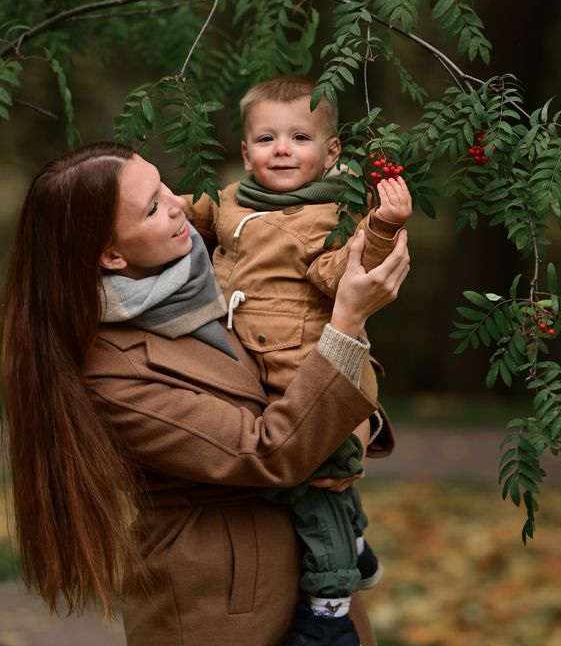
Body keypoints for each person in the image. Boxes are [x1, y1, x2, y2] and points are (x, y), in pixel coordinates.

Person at [0, 141, 410, 646]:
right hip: (218, 604)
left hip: (313, 561)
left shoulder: (216, 267)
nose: (178, 203)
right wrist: (348, 322)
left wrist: (355, 429)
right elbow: (266, 452)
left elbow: (292, 362)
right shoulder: (111, 374)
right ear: (111, 254)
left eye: (163, 186)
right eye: (152, 207)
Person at [181, 76, 412, 645]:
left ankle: (327, 609)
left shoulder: (328, 216)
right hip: (252, 371)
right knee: (301, 483)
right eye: (266, 137)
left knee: (309, 491)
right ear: (245, 151)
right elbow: (193, 216)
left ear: (331, 152)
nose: (281, 149)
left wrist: (382, 227)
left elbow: (345, 276)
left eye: (299, 137)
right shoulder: (233, 196)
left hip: (306, 378)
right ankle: (356, 547)